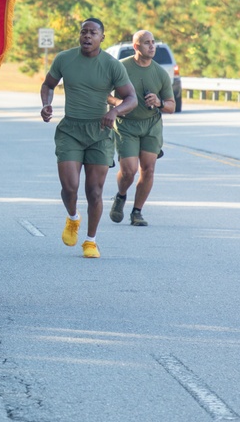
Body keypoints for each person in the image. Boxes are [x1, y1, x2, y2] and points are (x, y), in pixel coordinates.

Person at [40, 18, 137, 258]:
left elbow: (131, 98)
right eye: (84, 32)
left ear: (102, 37)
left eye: (93, 32)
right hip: (70, 130)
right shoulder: (65, 59)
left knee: (94, 191)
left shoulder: (112, 65)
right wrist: (46, 104)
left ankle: (90, 241)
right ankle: (73, 217)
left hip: (100, 132)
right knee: (69, 187)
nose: (87, 36)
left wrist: (114, 111)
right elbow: (48, 84)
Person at [108, 30, 175, 227]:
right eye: (147, 43)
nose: (152, 46)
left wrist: (159, 102)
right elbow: (104, 94)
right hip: (126, 124)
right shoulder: (121, 67)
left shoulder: (160, 73)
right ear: (136, 47)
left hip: (151, 125)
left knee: (148, 169)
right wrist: (118, 102)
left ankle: (137, 212)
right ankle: (120, 196)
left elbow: (171, 106)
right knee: (128, 171)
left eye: (153, 42)